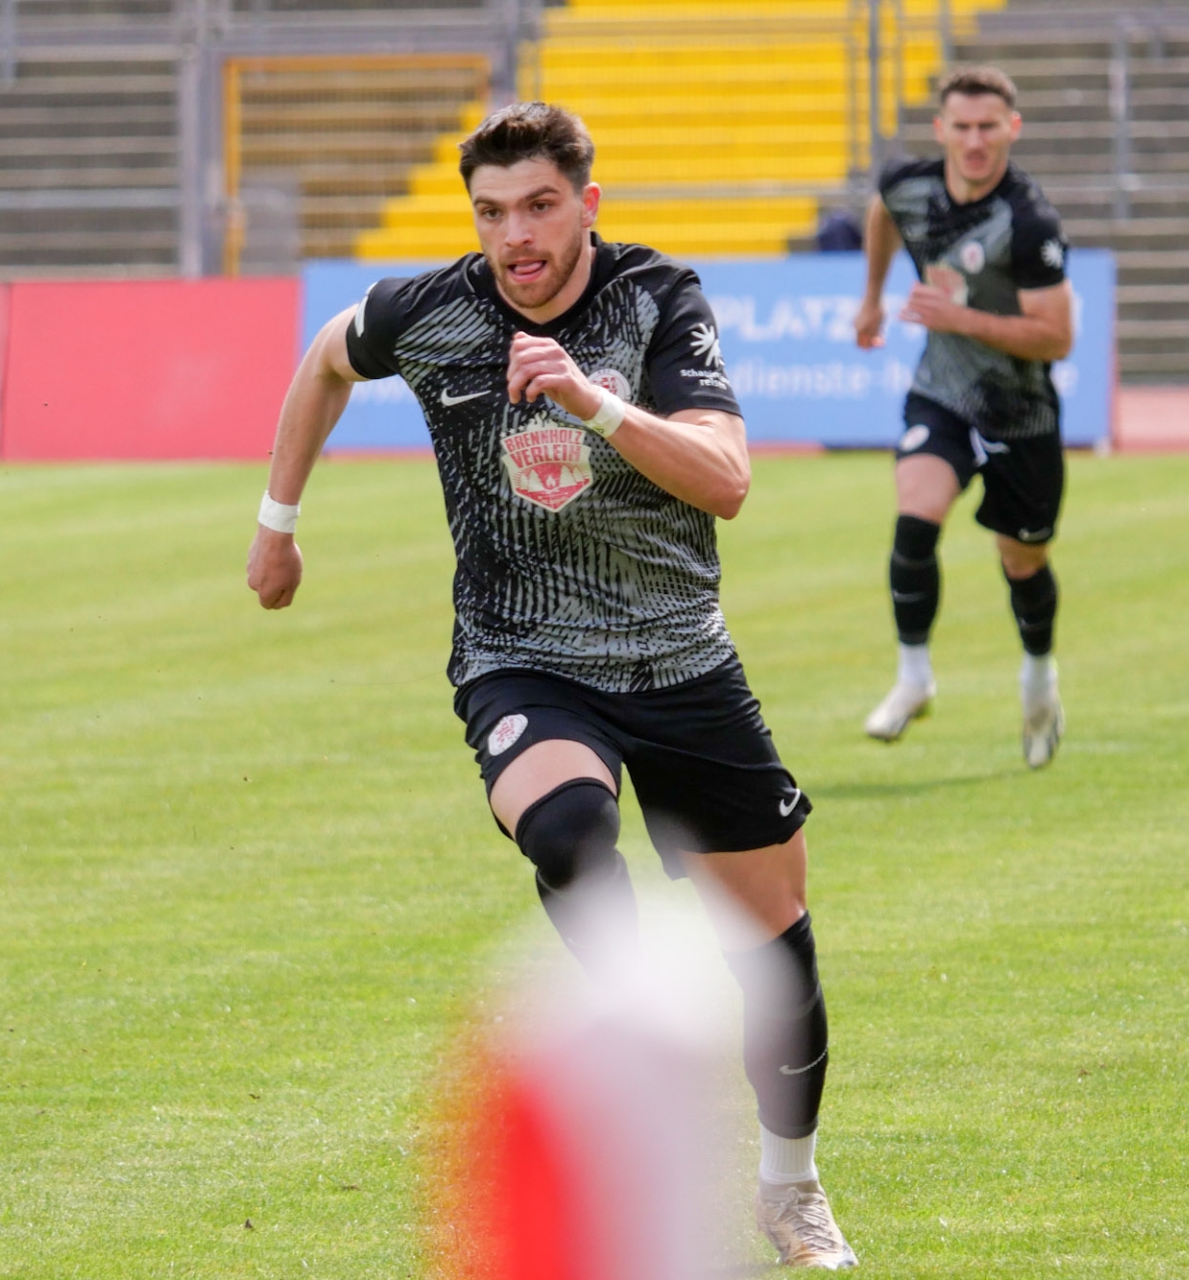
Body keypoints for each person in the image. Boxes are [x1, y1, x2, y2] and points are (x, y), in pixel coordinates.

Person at [247, 103, 858, 1270]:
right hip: (522, 656)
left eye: (538, 206)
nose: (515, 235)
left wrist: (591, 399)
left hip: (679, 660)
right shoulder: (430, 311)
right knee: (570, 829)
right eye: (491, 212)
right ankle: (640, 1051)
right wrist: (278, 522)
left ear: (588, 203)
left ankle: (789, 1184)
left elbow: (728, 480)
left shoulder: (656, 298)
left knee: (778, 951)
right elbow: (325, 358)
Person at [855, 66, 1074, 768]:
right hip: (942, 392)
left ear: (1013, 128)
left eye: (989, 127)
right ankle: (914, 676)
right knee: (915, 519)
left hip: (1019, 411)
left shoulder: (1030, 221)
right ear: (942, 128)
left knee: (1022, 561)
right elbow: (882, 212)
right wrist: (872, 296)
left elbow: (1057, 337)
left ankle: (1039, 679)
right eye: (963, 126)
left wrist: (961, 319)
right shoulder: (909, 184)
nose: (975, 141)